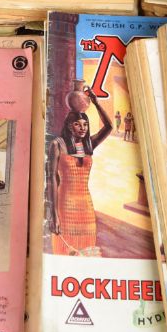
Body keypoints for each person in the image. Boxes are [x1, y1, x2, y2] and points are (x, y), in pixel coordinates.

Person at [47, 86, 113, 256]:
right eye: (77, 124)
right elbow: (52, 179)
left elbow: (109, 127)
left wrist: (96, 102)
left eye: (85, 124)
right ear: (69, 126)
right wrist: (54, 215)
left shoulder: (88, 144)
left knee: (87, 251)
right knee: (65, 252)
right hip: (65, 205)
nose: (82, 128)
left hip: (86, 207)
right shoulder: (57, 145)